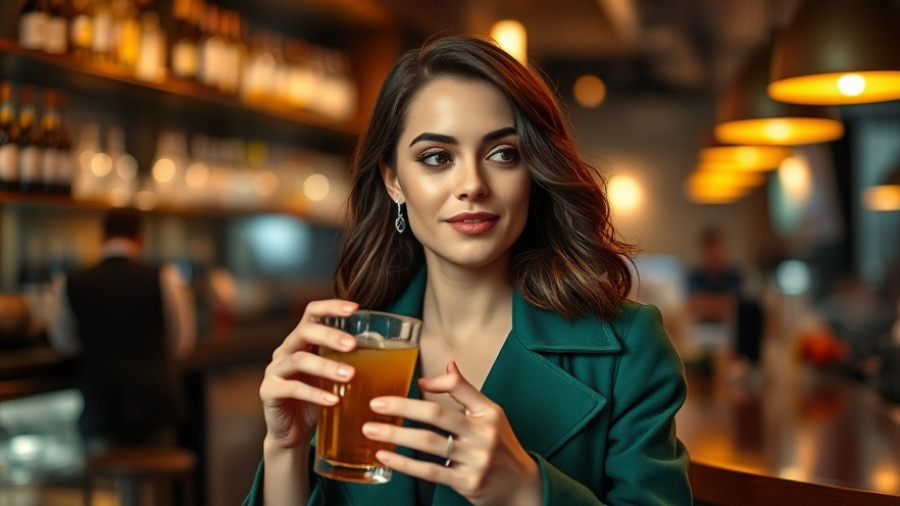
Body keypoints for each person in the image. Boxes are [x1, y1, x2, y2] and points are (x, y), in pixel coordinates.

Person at [245, 36, 690, 505]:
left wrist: (527, 493)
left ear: (534, 171)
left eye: (503, 154)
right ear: (393, 180)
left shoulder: (629, 347)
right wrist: (284, 451)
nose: (473, 185)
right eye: (436, 158)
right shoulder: (355, 352)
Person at [48, 207, 196, 451]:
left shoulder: (69, 282)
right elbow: (182, 344)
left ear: (102, 237)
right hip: (156, 406)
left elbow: (63, 343)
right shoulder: (166, 277)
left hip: (100, 409)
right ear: (140, 239)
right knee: (156, 480)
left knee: (108, 486)